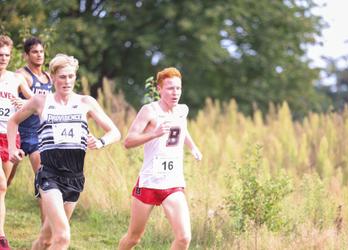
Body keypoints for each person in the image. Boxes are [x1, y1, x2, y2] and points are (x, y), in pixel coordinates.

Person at [7, 53, 121, 249]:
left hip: (75, 177)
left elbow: (115, 132)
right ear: (52, 77)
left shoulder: (86, 102)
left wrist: (100, 142)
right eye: (62, 77)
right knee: (63, 237)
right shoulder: (41, 101)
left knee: (46, 239)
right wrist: (12, 147)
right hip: (49, 175)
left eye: (71, 76)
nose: (67, 81)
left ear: (75, 77)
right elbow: (13, 121)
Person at [118, 67, 202, 250]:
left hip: (172, 183)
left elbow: (182, 129)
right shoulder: (149, 111)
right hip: (149, 183)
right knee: (134, 237)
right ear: (159, 89)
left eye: (178, 88)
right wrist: (154, 134)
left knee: (184, 238)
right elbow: (128, 141)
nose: (175, 92)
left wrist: (193, 147)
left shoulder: (182, 110)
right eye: (170, 88)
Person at [0, 34, 33, 250]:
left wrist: (21, 101)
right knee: (0, 184)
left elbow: (34, 102)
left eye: (6, 55)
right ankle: (1, 237)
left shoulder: (16, 79)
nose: (3, 58)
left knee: (5, 187)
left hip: (9, 137)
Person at [7, 37, 52, 187]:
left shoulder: (49, 78)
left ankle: (45, 207)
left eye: (41, 51)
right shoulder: (21, 75)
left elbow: (49, 104)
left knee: (42, 179)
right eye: (34, 52)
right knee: (7, 179)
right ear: (26, 55)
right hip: (18, 131)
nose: (39, 55)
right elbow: (9, 98)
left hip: (37, 133)